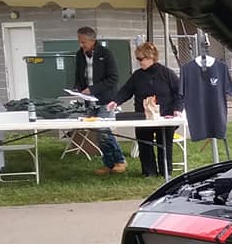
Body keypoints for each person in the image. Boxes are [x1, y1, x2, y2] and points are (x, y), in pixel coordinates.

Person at [109, 42, 183, 178]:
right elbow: (126, 91)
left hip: (164, 117)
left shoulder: (167, 73)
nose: (139, 62)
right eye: (137, 59)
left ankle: (165, 171)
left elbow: (180, 93)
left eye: (141, 59)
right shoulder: (137, 75)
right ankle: (149, 171)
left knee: (164, 144)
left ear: (151, 58)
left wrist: (177, 110)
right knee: (144, 143)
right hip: (143, 116)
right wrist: (115, 101)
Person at [73, 26, 126, 175]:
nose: (81, 45)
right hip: (89, 99)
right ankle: (109, 164)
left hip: (106, 99)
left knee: (104, 130)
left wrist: (93, 88)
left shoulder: (106, 54)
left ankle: (119, 161)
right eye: (80, 41)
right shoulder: (79, 55)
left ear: (93, 40)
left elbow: (113, 78)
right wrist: (77, 89)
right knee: (97, 132)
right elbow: (79, 76)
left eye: (84, 42)